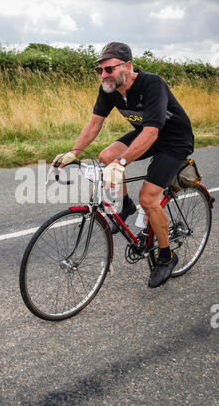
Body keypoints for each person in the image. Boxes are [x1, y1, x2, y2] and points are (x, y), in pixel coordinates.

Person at [53, 42, 194, 288]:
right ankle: (126, 205)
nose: (103, 75)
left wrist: (121, 163)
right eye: (100, 70)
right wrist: (74, 153)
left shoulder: (152, 84)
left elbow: (151, 132)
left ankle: (166, 256)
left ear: (127, 66)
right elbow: (95, 124)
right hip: (147, 135)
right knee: (106, 156)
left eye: (108, 69)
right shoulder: (109, 89)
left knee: (149, 199)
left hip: (173, 141)